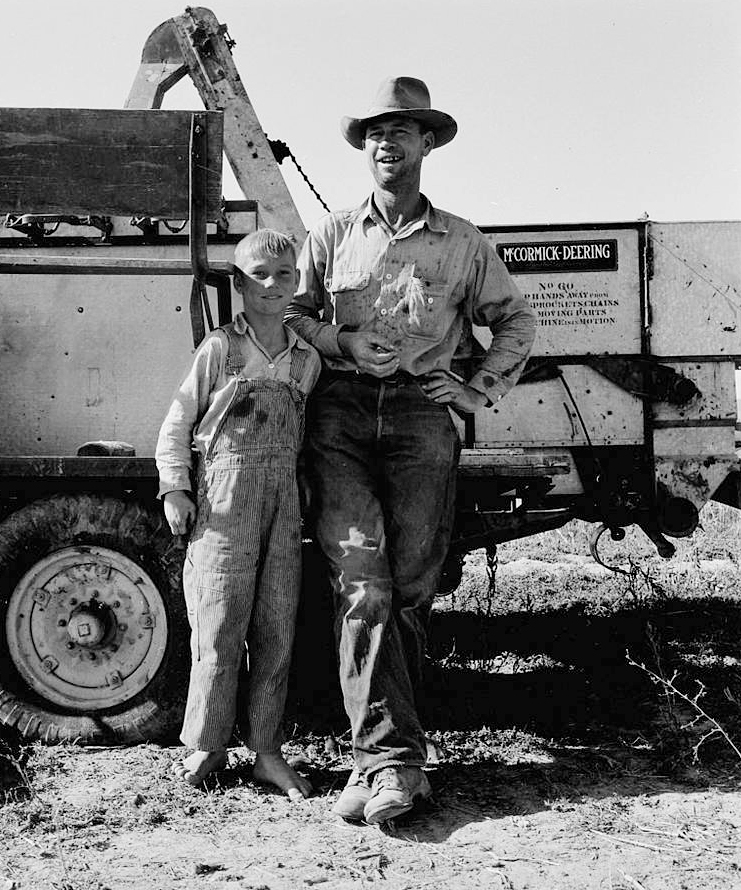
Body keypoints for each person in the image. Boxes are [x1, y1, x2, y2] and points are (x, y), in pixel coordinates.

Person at [285, 77, 537, 823]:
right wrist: (341, 341)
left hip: (423, 420)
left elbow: (515, 321)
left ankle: (386, 762)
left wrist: (476, 389)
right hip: (338, 419)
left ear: (427, 143)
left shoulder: (462, 241)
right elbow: (293, 314)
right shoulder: (332, 233)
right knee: (362, 584)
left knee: (412, 588)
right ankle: (390, 762)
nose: (385, 143)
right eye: (373, 133)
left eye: (400, 130)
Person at [156, 228, 320, 800]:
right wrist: (175, 489)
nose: (271, 285)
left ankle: (267, 752)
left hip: (282, 505)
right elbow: (177, 425)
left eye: (283, 274)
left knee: (276, 627)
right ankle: (208, 744)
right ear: (239, 284)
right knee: (219, 623)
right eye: (258, 275)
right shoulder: (220, 349)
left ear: (296, 283)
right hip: (222, 503)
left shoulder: (307, 361)